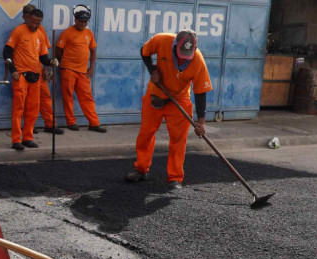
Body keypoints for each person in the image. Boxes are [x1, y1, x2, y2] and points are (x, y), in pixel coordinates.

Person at [125, 29, 211, 189]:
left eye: (187, 54)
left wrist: (201, 122)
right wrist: (153, 70)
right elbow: (144, 52)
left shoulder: (198, 60)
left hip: (179, 98)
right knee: (146, 133)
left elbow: (201, 92)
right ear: (175, 45)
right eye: (180, 53)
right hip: (156, 93)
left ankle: (175, 177)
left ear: (194, 49)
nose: (182, 57)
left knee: (179, 139)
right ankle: (141, 169)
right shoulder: (161, 40)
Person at [4, 8, 59, 151]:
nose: (35, 25)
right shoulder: (18, 31)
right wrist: (13, 70)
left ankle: (28, 138)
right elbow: (7, 52)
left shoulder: (40, 34)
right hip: (21, 75)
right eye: (33, 22)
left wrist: (50, 62)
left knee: (33, 109)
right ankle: (16, 140)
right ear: (28, 18)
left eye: (38, 23)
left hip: (36, 76)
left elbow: (43, 57)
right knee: (18, 110)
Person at [55, 5, 105, 134]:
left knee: (87, 97)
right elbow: (58, 51)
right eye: (81, 21)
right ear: (75, 20)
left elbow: (93, 51)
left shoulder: (89, 33)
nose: (83, 24)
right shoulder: (67, 33)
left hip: (83, 71)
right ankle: (71, 122)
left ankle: (94, 123)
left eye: (85, 22)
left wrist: (91, 68)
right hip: (68, 70)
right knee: (68, 96)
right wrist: (64, 64)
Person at [21, 4, 60, 135]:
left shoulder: (40, 30)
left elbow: (43, 53)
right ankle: (29, 127)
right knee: (28, 101)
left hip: (39, 70)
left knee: (45, 98)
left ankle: (50, 124)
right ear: (24, 16)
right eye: (27, 14)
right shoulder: (20, 31)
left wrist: (46, 69)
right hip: (26, 72)